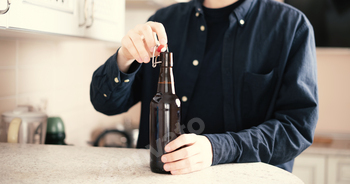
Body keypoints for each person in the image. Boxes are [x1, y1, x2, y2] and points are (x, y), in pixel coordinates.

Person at [90, 0, 318, 175]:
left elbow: (296, 129)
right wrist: (125, 57)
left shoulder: (291, 26)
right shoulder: (164, 21)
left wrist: (217, 148)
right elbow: (105, 102)